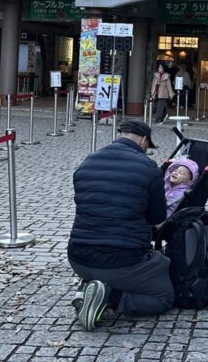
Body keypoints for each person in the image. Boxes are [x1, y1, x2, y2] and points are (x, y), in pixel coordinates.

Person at [68, 120, 174, 330]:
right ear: (144, 141)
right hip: (122, 260)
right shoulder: (148, 167)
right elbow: (157, 217)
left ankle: (88, 285)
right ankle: (109, 297)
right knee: (163, 297)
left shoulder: (87, 162)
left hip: (78, 257)